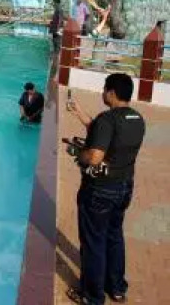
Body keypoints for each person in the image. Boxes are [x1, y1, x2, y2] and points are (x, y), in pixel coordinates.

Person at [65, 74, 145, 305]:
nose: (102, 93)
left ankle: (92, 296)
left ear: (111, 93)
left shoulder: (107, 119)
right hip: (124, 187)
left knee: (94, 242)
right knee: (114, 235)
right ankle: (116, 287)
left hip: (100, 190)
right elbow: (105, 134)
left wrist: (78, 152)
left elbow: (95, 156)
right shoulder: (136, 119)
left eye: (104, 89)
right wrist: (79, 112)